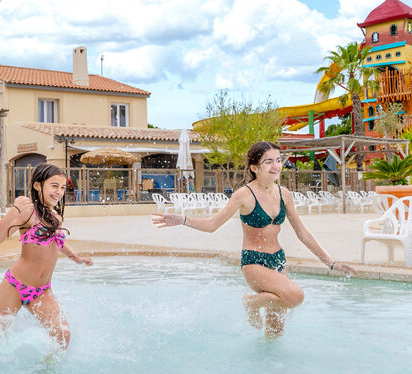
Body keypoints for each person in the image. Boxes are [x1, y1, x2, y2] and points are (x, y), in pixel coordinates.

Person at [152, 141, 355, 336]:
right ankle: (251, 302)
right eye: (269, 161)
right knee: (296, 296)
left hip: (278, 260)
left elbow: (302, 233)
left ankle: (268, 363)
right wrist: (182, 219)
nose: (276, 166)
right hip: (254, 262)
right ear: (255, 168)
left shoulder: (284, 194)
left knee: (275, 330)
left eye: (278, 160)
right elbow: (212, 225)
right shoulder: (244, 195)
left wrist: (331, 263)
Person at [0, 162, 92, 350]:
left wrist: (75, 258)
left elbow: (58, 241)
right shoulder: (28, 212)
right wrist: (14, 210)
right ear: (38, 185)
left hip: (42, 291)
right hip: (15, 286)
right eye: (54, 186)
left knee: (63, 335)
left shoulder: (55, 216)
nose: (59, 192)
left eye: (62, 187)